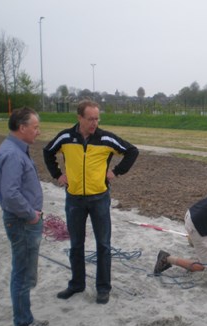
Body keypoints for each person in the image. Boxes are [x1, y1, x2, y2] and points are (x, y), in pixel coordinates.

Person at [44, 100, 138, 304]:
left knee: (103, 245)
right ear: (79, 118)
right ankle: (77, 284)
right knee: (76, 244)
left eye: (97, 118)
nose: (94, 123)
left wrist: (116, 171)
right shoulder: (66, 137)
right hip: (74, 199)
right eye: (90, 119)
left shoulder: (105, 138)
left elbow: (132, 151)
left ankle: (103, 288)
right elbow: (47, 151)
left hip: (99, 199)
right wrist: (57, 175)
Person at [0, 107, 51, 326]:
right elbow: (10, 194)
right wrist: (31, 215)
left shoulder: (16, 150)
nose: (38, 132)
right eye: (35, 127)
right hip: (22, 222)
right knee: (22, 273)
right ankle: (23, 325)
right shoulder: (13, 154)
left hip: (24, 220)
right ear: (22, 127)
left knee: (25, 271)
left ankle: (25, 316)